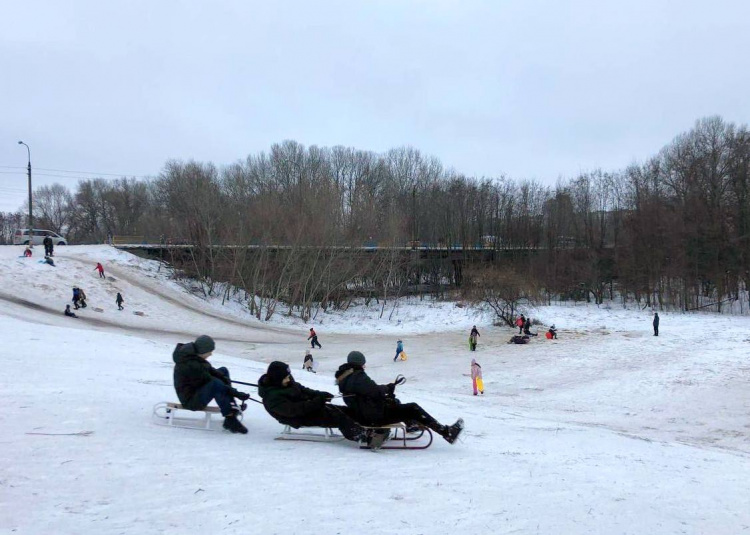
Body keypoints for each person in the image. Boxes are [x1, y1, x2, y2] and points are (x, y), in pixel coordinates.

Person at [335, 351, 464, 446]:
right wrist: (387, 388)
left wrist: (386, 388)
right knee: (413, 407)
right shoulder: (358, 377)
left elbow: (369, 390)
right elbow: (374, 391)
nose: (364, 366)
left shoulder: (347, 377)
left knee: (395, 402)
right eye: (363, 364)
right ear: (359, 363)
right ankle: (447, 433)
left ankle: (411, 424)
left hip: (366, 411)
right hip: (374, 416)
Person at [258, 361, 371, 445]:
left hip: (310, 408)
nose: (289, 379)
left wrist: (321, 395)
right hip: (298, 417)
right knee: (338, 417)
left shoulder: (286, 383)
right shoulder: (271, 397)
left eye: (288, 376)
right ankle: (364, 437)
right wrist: (317, 402)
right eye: (286, 378)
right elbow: (294, 410)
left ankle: (371, 426)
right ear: (277, 379)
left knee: (343, 410)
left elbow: (305, 390)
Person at [172, 335, 250, 434]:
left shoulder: (193, 356)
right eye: (209, 351)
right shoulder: (191, 365)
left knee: (223, 371)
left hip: (197, 390)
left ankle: (231, 407)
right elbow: (211, 380)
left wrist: (224, 378)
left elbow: (210, 371)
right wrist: (237, 393)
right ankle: (230, 418)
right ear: (203, 351)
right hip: (191, 400)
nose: (211, 354)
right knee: (215, 384)